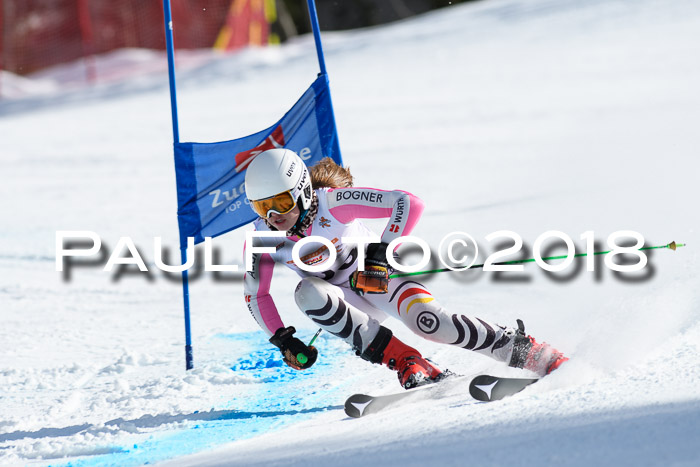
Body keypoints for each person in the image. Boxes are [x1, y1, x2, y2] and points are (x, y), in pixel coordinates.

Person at [243, 148, 567, 389]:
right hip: (345, 303)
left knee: (431, 324)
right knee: (308, 293)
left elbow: (408, 203)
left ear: (301, 190)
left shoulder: (332, 203)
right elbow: (255, 294)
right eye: (262, 207)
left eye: (282, 202)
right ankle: (408, 361)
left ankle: (528, 351)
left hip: (379, 279)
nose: (273, 215)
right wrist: (283, 340)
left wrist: (380, 256)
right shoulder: (261, 237)